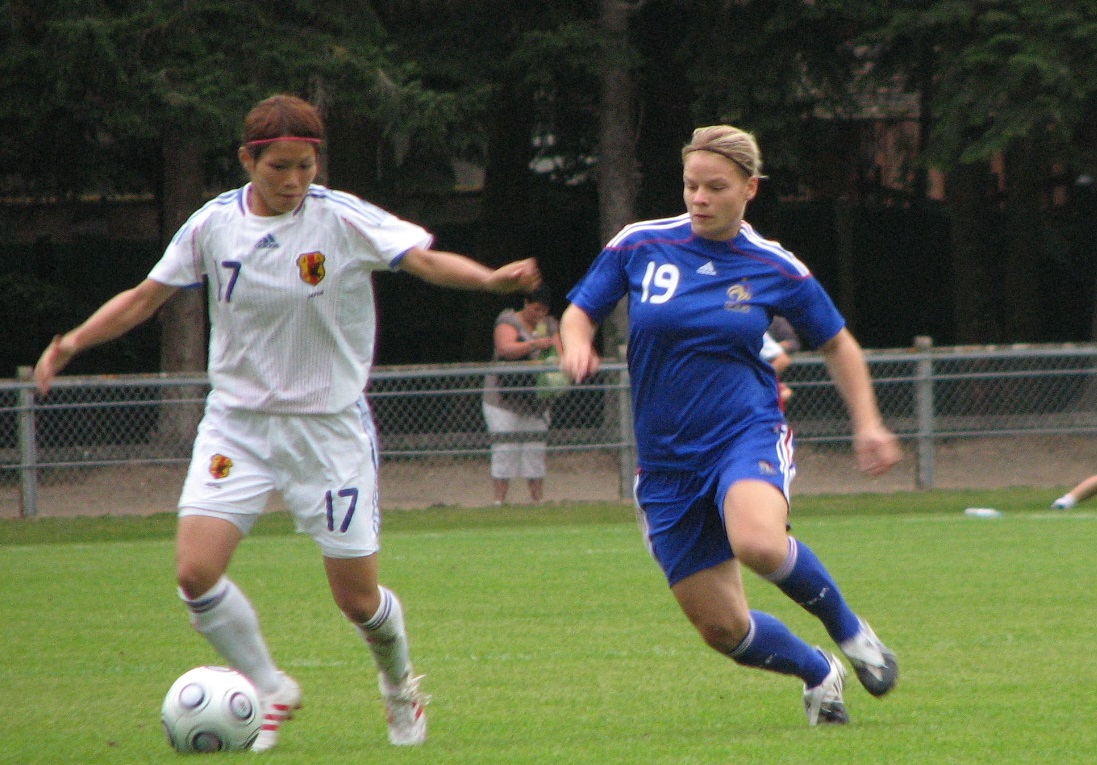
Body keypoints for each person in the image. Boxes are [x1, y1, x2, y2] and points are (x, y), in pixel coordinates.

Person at [32, 94, 541, 751]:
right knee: (195, 572)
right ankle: (269, 685)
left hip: (327, 430)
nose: (295, 180)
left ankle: (397, 684)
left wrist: (489, 280)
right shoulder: (213, 224)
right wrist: (71, 342)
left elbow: (421, 259)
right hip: (236, 424)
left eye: (306, 166)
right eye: (280, 167)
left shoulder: (340, 219)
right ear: (248, 159)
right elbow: (144, 297)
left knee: (357, 601)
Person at [559, 125, 901, 726]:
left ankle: (854, 635)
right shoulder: (640, 245)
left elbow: (839, 344)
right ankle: (819, 672)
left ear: (750, 188)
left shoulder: (773, 266)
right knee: (722, 629)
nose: (699, 198)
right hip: (666, 464)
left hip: (745, 432)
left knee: (759, 542)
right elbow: (581, 311)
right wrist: (576, 344)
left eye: (716, 187)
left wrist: (868, 423)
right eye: (691, 184)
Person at [482, 285, 562, 504]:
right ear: (526, 303)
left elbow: (560, 354)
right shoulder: (509, 321)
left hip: (535, 400)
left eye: (543, 310)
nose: (540, 314)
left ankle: (537, 499)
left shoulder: (550, 325)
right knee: (505, 446)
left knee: (535, 448)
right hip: (503, 399)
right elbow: (505, 348)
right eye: (536, 309)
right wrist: (534, 344)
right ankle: (500, 501)